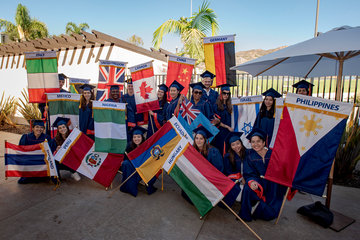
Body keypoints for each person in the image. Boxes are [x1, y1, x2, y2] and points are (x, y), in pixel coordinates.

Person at [239, 128, 287, 222]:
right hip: (259, 183)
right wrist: (251, 181)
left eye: (258, 141)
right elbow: (249, 173)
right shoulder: (250, 157)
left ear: (264, 142)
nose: (255, 144)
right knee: (247, 188)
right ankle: (247, 212)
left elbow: (282, 169)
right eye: (253, 142)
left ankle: (259, 208)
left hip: (272, 185)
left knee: (270, 215)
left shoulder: (273, 154)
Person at [120, 126, 157, 197]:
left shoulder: (146, 146)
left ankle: (139, 182)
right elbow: (125, 158)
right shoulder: (129, 146)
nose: (136, 139)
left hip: (144, 167)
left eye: (138, 137)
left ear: (142, 137)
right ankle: (130, 187)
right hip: (132, 167)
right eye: (134, 137)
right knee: (126, 164)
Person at [18, 120, 51, 184]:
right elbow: (21, 149)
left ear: (43, 129)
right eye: (37, 127)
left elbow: (50, 150)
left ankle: (40, 176)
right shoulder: (26, 137)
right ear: (33, 128)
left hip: (41, 159)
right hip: (29, 159)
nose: (39, 129)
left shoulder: (46, 138)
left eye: (41, 127)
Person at [212, 84, 234, 154]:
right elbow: (217, 121)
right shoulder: (216, 106)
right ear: (221, 93)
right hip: (220, 131)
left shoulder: (230, 105)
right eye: (224, 93)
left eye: (228, 94)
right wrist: (227, 127)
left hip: (228, 131)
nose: (226, 95)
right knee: (221, 148)